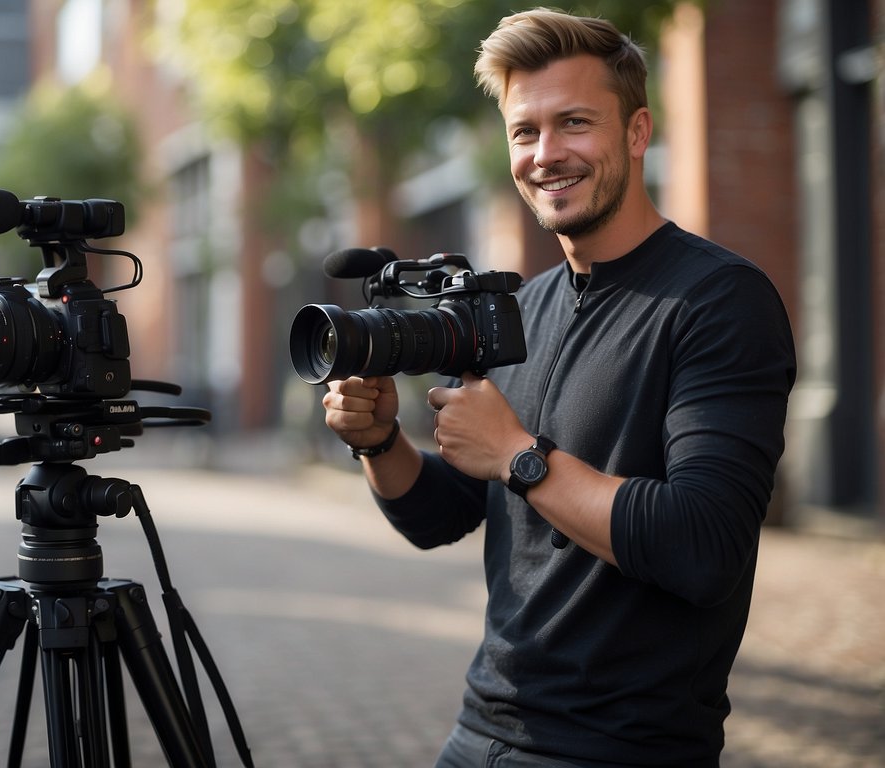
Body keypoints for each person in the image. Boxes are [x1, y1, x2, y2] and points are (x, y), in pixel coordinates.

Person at [320, 9, 796, 767]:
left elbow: (703, 544)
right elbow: (441, 513)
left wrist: (518, 455)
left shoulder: (719, 300)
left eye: (574, 123)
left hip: (622, 749)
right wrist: (380, 440)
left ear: (638, 133)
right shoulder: (513, 311)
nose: (546, 154)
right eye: (524, 131)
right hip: (479, 731)